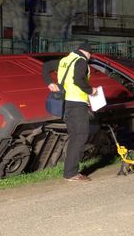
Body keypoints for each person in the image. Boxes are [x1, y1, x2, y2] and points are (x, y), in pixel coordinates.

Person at [42, 42, 98, 182]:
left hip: (66, 103)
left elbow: (46, 66)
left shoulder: (65, 60)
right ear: (88, 53)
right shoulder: (81, 62)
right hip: (77, 104)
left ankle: (70, 171)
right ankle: (71, 173)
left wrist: (49, 82)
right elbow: (78, 80)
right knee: (80, 136)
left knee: (75, 137)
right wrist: (91, 90)